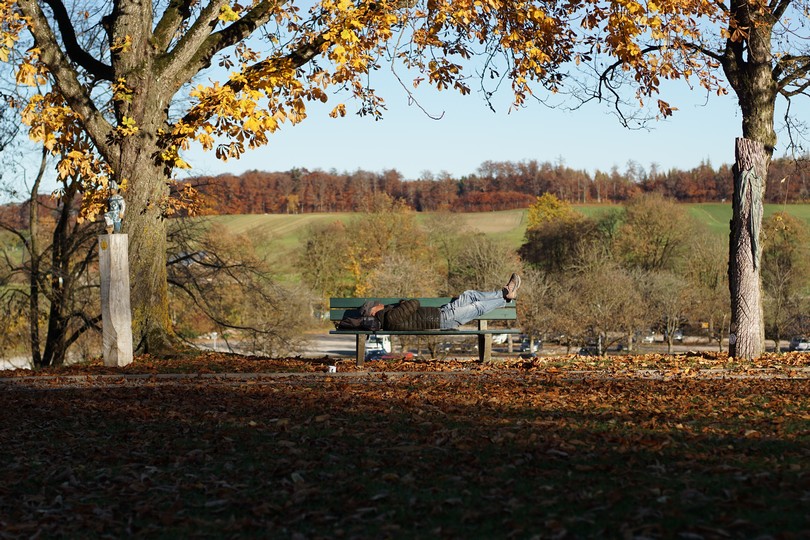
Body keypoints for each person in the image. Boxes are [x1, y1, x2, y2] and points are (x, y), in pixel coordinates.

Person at [360, 273, 521, 331]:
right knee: (476, 306)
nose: (379, 303)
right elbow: (414, 303)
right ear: (373, 311)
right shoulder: (388, 318)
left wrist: (401, 305)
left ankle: (504, 293)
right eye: (376, 304)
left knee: (469, 295)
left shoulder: (388, 314)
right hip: (443, 320)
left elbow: (409, 309)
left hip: (441, 313)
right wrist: (403, 303)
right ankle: (505, 296)